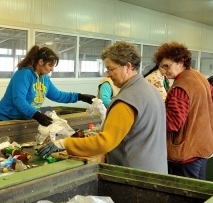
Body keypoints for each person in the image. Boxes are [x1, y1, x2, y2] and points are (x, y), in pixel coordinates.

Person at [37, 42, 167, 173]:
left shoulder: (127, 99)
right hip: (155, 171)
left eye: (111, 69)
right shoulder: (151, 90)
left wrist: (63, 144)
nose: (107, 74)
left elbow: (105, 142)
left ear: (128, 66)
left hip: (134, 175)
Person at [154, 42, 213, 180]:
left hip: (186, 153)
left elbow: (172, 124)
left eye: (167, 66)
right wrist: (206, 124)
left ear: (180, 62)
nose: (163, 71)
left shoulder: (180, 88)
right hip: (204, 146)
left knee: (186, 195)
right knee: (199, 191)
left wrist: (151, 115)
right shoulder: (199, 77)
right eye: (161, 67)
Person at [0, 45, 95, 126]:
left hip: (24, 118)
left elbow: (58, 95)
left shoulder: (44, 78)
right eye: (50, 65)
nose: (52, 69)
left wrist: (80, 97)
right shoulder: (24, 74)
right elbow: (19, 100)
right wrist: (36, 114)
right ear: (41, 62)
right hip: (6, 119)